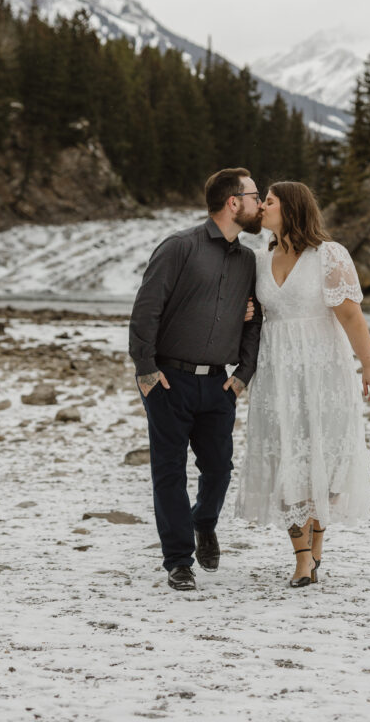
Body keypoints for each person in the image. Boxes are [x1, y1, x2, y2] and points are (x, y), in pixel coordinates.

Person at [235, 180, 370, 588]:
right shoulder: (259, 261)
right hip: (277, 373)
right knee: (286, 459)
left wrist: (369, 366)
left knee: (323, 459)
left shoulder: (328, 256)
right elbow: (255, 316)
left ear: (292, 208)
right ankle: (303, 559)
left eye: (269, 201)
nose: (261, 207)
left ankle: (314, 550)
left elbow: (351, 316)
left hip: (324, 371)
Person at [129, 167, 263, 592]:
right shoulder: (178, 247)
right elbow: (146, 310)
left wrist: (244, 373)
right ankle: (178, 561)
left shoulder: (248, 260)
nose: (259, 204)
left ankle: (204, 523)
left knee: (219, 469)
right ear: (232, 202)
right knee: (168, 471)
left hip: (220, 385)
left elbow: (254, 320)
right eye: (254, 196)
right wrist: (147, 370)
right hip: (169, 379)